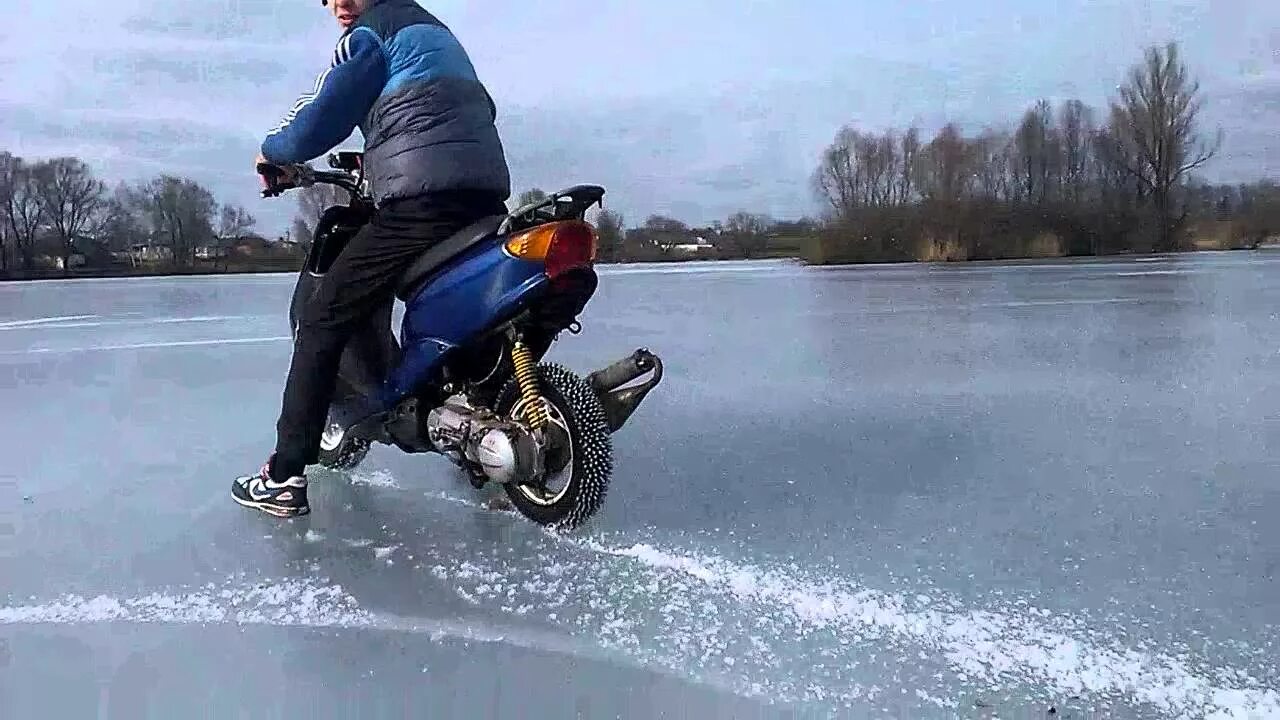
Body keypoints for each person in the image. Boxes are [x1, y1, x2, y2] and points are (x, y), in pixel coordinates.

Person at [231, 0, 511, 518]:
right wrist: (380, 153)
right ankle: (472, 419)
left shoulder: (371, 34)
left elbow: (321, 115)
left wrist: (273, 153)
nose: (338, 3)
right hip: (484, 197)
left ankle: (285, 474)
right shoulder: (437, 33)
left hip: (422, 202)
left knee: (321, 318)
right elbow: (467, 111)